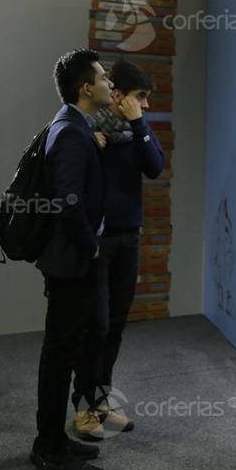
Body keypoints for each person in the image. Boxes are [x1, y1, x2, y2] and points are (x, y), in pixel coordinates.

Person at [30, 49, 112, 470]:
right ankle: (49, 450)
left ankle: (53, 441)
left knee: (64, 351)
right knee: (59, 356)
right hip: (70, 261)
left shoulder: (73, 126)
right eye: (103, 78)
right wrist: (91, 247)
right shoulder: (70, 133)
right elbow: (67, 200)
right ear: (85, 88)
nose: (109, 84)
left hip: (72, 258)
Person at [71, 60, 164, 440]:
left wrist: (139, 124)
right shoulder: (87, 131)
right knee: (95, 326)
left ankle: (100, 403)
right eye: (140, 97)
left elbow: (155, 166)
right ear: (119, 95)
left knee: (115, 326)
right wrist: (92, 145)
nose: (146, 105)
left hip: (129, 238)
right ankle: (84, 410)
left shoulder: (137, 130)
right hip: (98, 241)